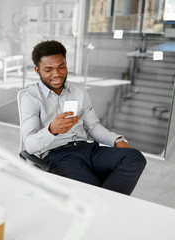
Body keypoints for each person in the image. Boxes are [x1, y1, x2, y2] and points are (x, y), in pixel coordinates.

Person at [20, 40, 146, 195]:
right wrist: (52, 130)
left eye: (61, 67)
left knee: (134, 158)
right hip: (57, 155)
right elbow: (29, 145)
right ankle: (104, 204)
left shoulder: (79, 91)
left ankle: (103, 203)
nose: (57, 74)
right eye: (48, 70)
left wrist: (116, 140)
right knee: (92, 189)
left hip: (86, 148)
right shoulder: (30, 98)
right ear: (37, 70)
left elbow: (92, 126)